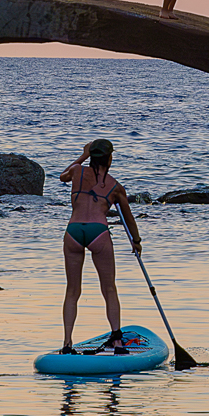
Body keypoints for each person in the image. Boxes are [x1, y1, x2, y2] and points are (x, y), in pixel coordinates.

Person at [58, 138, 142, 353]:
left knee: (72, 290)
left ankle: (67, 343)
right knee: (109, 288)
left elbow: (62, 177)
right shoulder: (115, 186)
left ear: (91, 156)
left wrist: (82, 156)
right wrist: (136, 240)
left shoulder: (77, 171)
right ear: (110, 158)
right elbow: (129, 218)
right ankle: (116, 339)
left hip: (74, 231)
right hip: (99, 232)